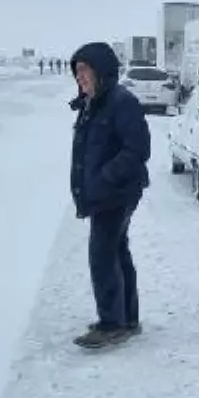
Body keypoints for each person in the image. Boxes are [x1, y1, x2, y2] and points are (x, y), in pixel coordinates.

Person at [68, 41, 151, 349]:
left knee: (102, 255)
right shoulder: (94, 102)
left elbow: (139, 148)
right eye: (77, 72)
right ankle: (127, 318)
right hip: (107, 192)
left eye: (85, 70)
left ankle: (112, 323)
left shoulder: (120, 101)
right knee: (117, 250)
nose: (80, 77)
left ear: (101, 70)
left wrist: (106, 177)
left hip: (117, 192)